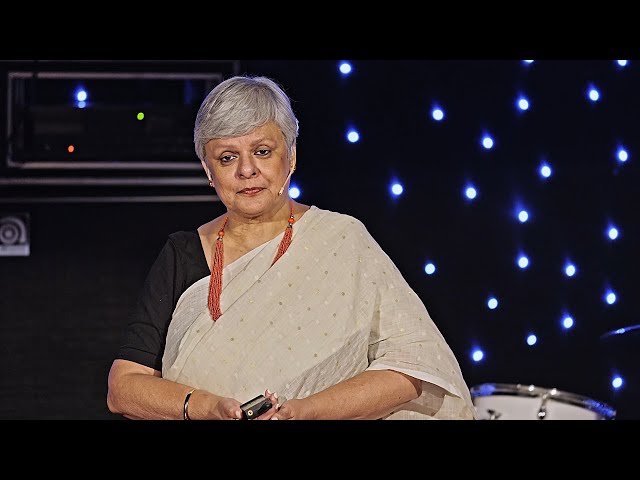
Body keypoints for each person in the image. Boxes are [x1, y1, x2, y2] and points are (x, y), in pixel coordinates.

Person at [106, 74, 477, 420]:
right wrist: (207, 407)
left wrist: (306, 412)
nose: (246, 170)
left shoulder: (343, 240)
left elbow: (411, 367)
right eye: (227, 157)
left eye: (262, 151)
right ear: (208, 170)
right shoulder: (182, 253)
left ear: (292, 156)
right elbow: (123, 388)